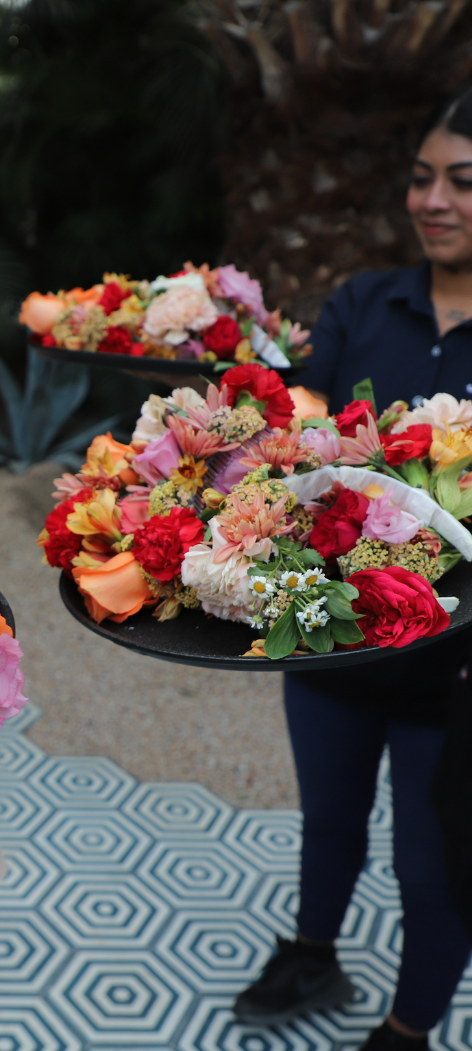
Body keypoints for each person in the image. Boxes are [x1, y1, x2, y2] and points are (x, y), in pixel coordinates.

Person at [232, 92, 472, 1049]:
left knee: (434, 859)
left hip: (454, 668)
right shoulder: (365, 300)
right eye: (421, 177)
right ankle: (312, 950)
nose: (433, 199)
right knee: (328, 818)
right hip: (332, 643)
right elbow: (295, 441)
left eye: (462, 180)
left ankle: (411, 1029)